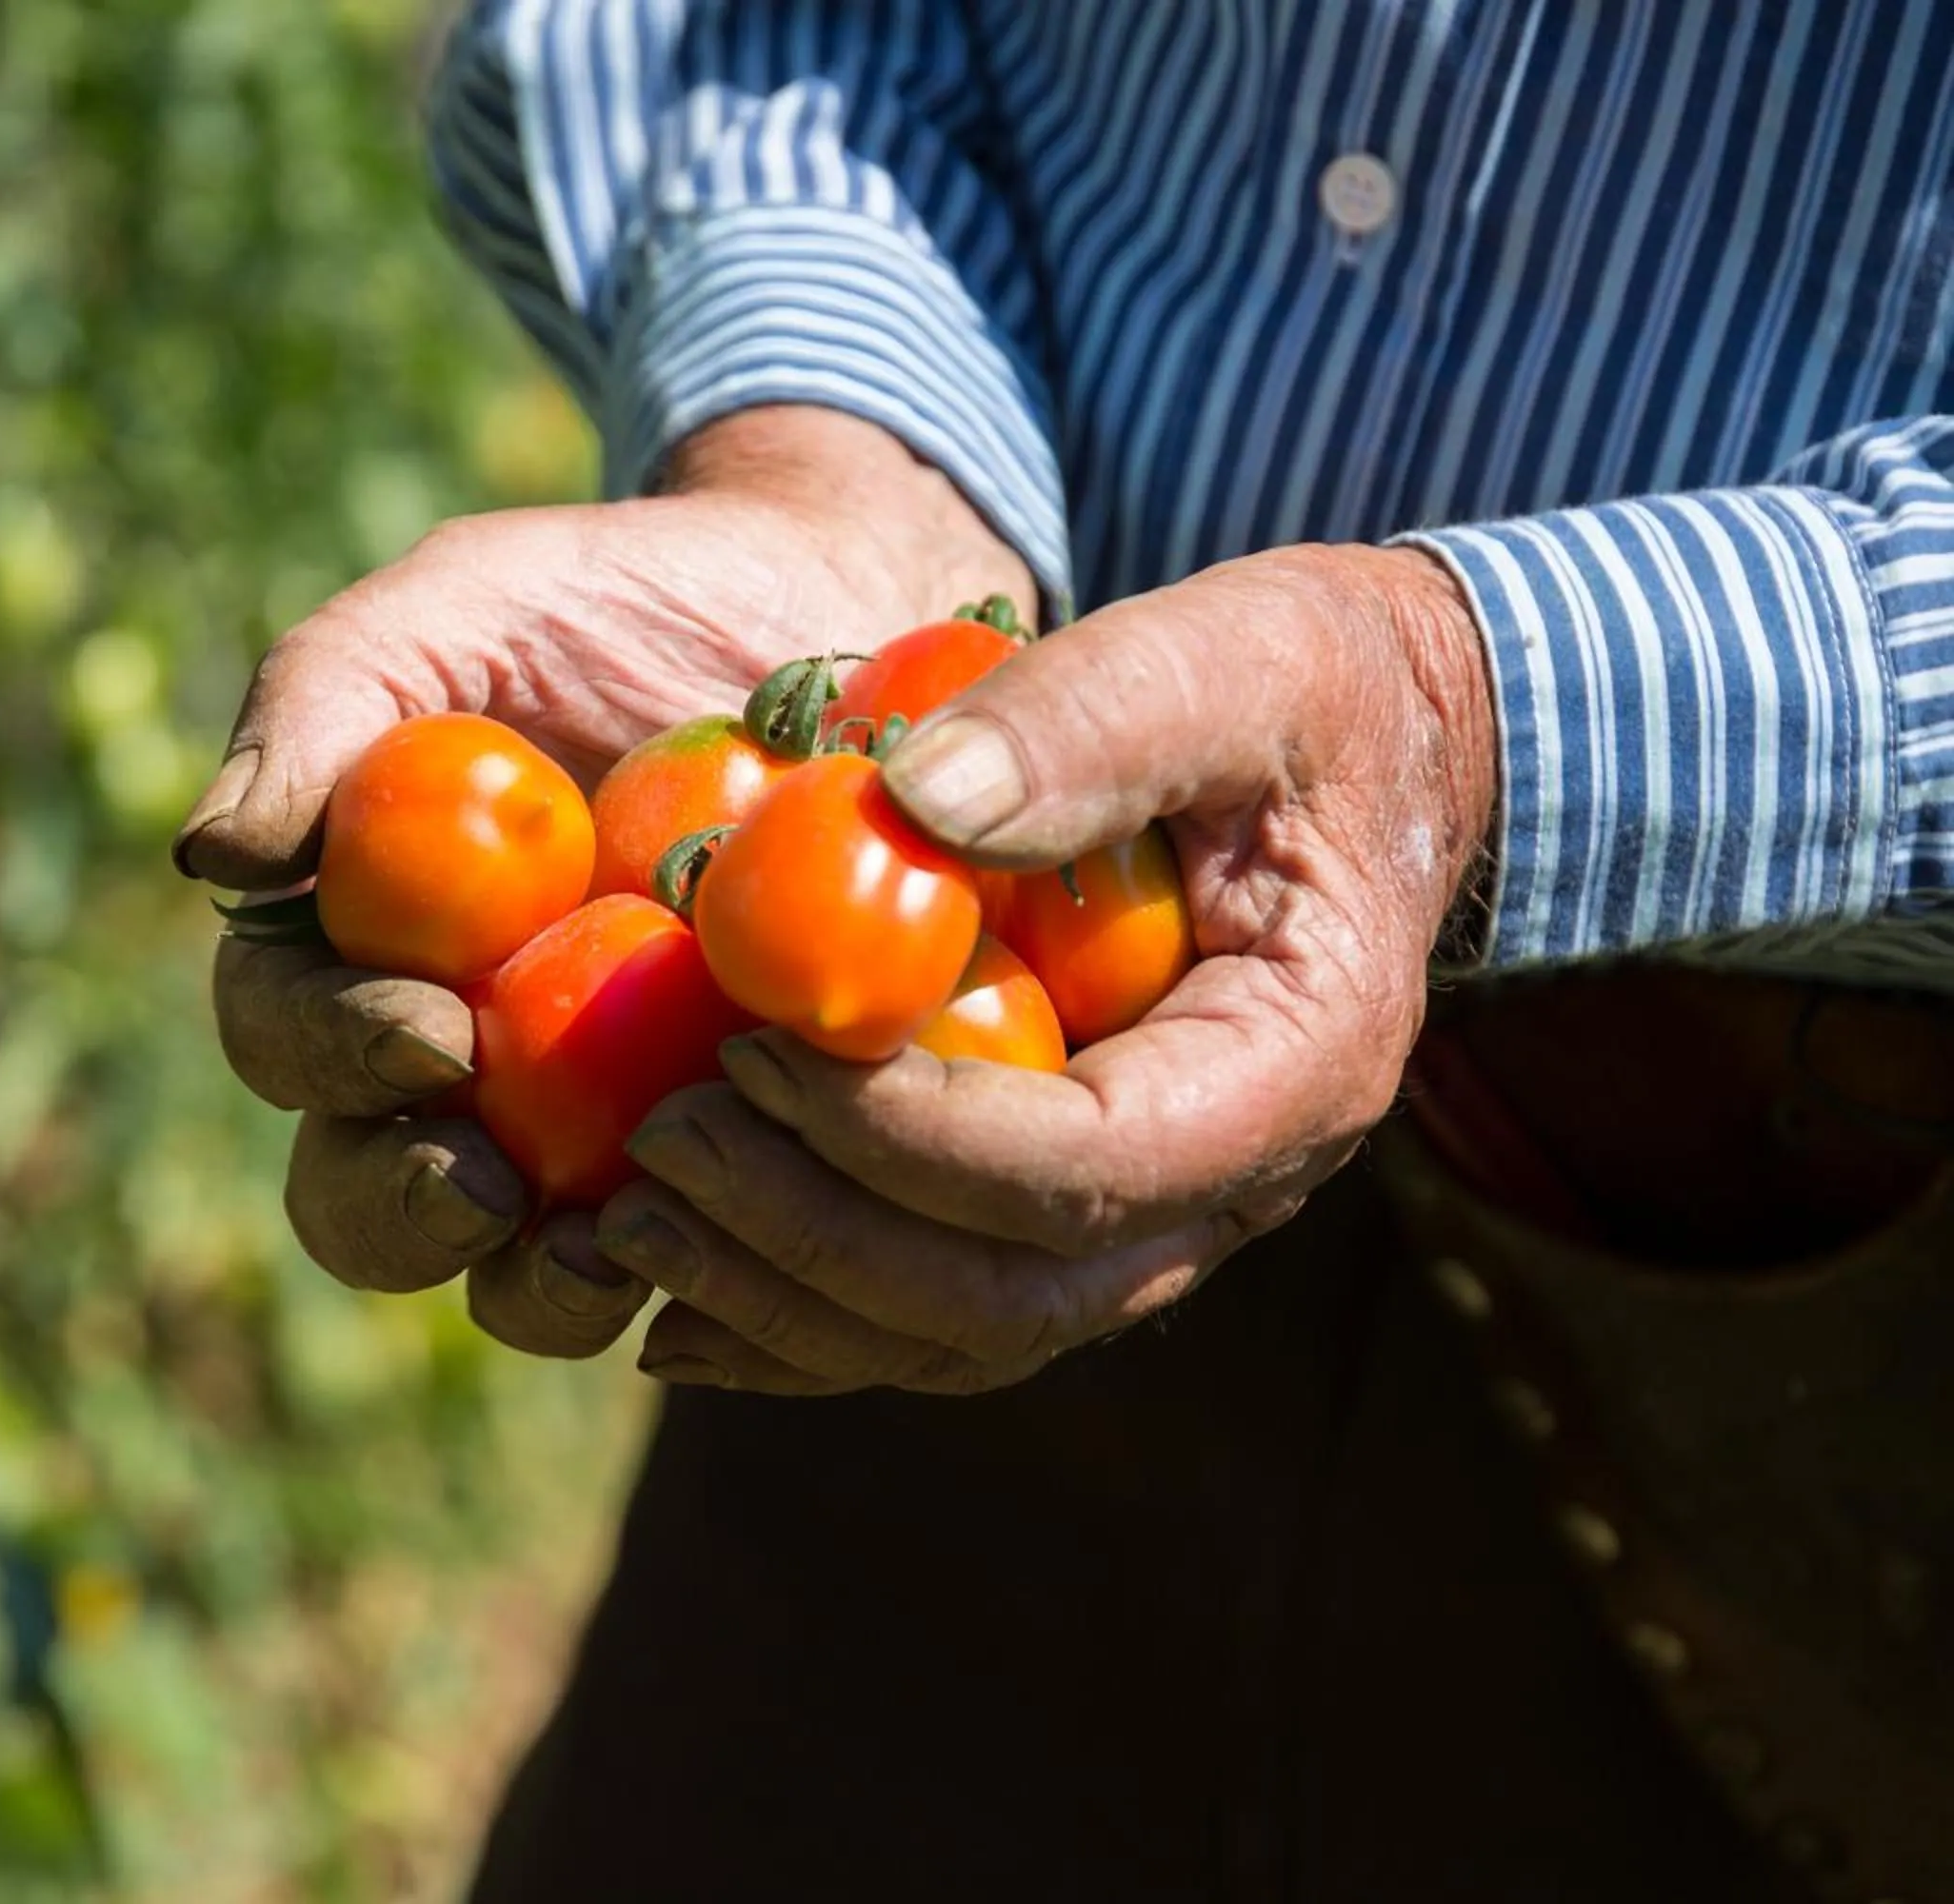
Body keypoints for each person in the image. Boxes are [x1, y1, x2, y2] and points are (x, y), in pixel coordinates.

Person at [177, 4, 1954, 1896]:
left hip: (1830, 1316)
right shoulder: (850, 914)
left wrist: (1484, 713)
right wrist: (838, 456)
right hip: (896, 1188)